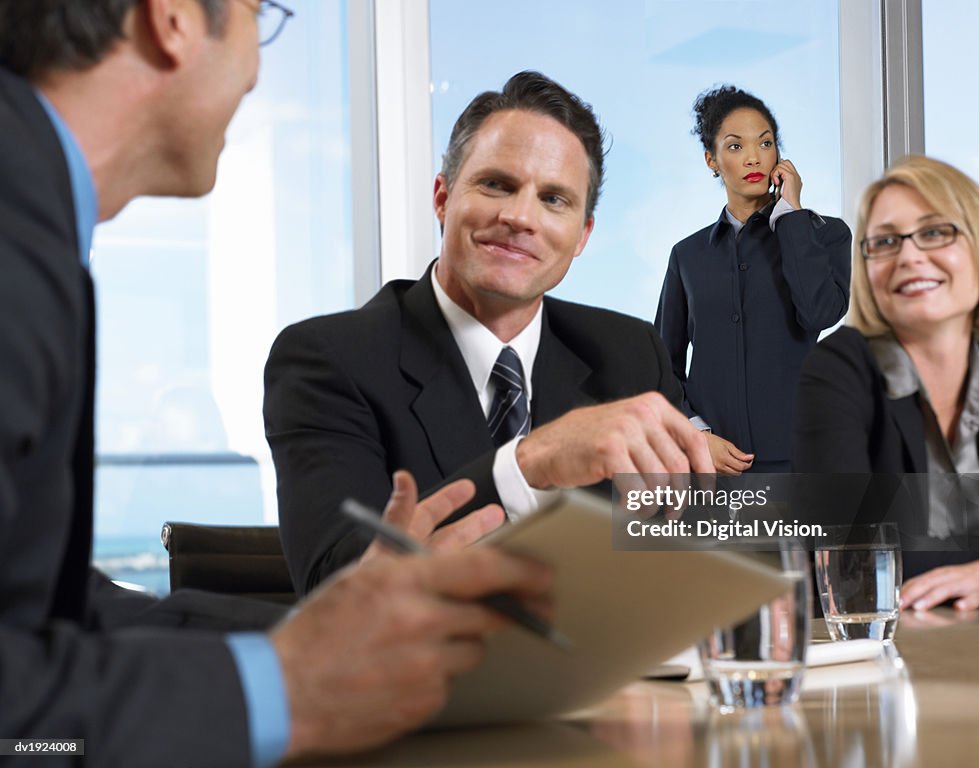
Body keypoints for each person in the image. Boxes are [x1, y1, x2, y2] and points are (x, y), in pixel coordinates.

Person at [0, 2, 552, 765]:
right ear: (174, 20)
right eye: (261, 17)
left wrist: (341, 642)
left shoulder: (34, 215)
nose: (259, 70)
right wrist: (285, 687)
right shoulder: (14, 240)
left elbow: (43, 618)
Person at [264, 71, 715, 593]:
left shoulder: (631, 354)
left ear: (581, 237)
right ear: (442, 196)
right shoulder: (329, 360)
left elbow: (677, 561)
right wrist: (529, 464)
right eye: (497, 184)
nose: (520, 216)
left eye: (554, 200)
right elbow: (336, 591)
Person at [793, 155, 979, 611]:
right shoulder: (839, 368)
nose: (910, 256)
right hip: (895, 657)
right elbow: (846, 560)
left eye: (935, 232)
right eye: (885, 241)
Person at [655, 85, 851, 474]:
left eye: (765, 143)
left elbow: (820, 313)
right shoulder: (687, 256)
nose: (752, 157)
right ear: (711, 160)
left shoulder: (825, 235)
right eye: (734, 146)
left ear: (779, 154)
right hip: (709, 468)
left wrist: (791, 216)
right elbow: (663, 366)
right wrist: (695, 434)